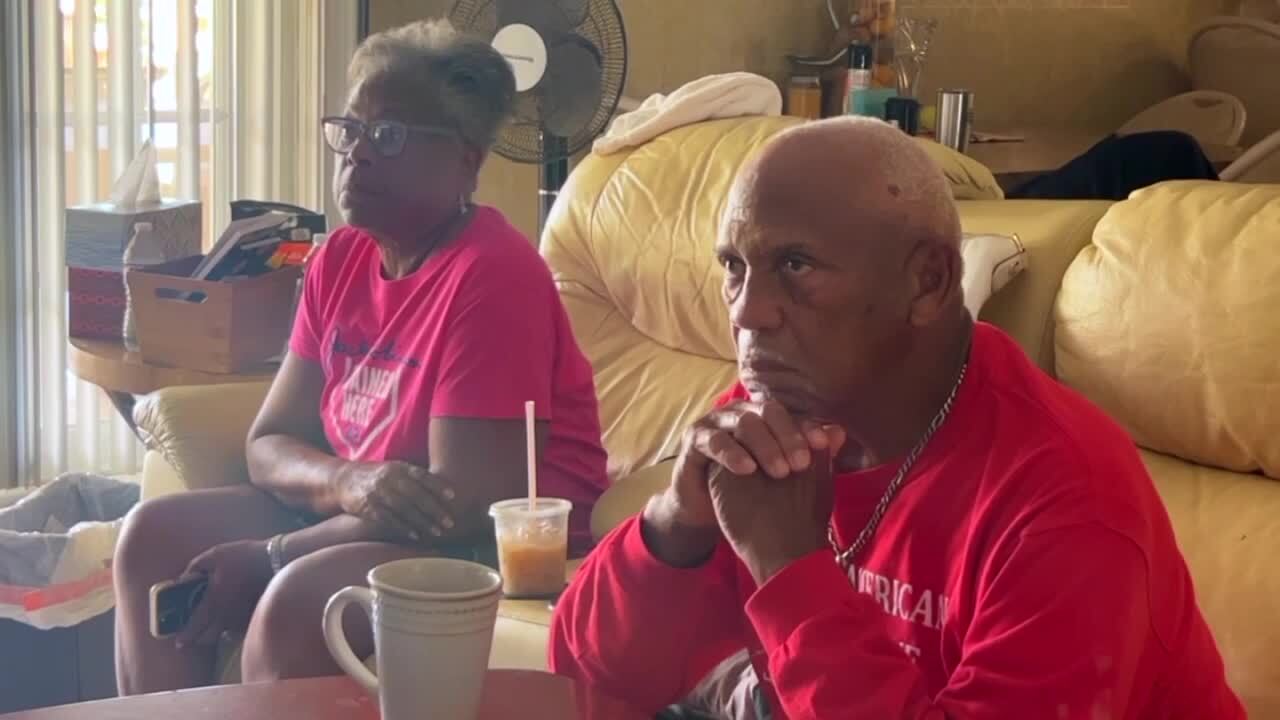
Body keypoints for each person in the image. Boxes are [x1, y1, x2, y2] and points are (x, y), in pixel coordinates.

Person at [549, 117, 1244, 720]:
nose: (746, 311)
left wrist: (791, 570)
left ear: (927, 281)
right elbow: (584, 673)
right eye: (734, 266)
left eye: (796, 264)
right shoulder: (779, 410)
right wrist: (675, 526)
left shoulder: (1067, 503)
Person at [113, 19, 607, 694]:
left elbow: (458, 507)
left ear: (465, 162)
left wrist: (272, 554)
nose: (357, 155)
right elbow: (267, 444)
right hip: (368, 511)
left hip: (496, 543)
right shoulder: (338, 259)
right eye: (350, 130)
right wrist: (347, 480)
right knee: (150, 538)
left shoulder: (492, 276)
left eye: (390, 135)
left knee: (296, 606)